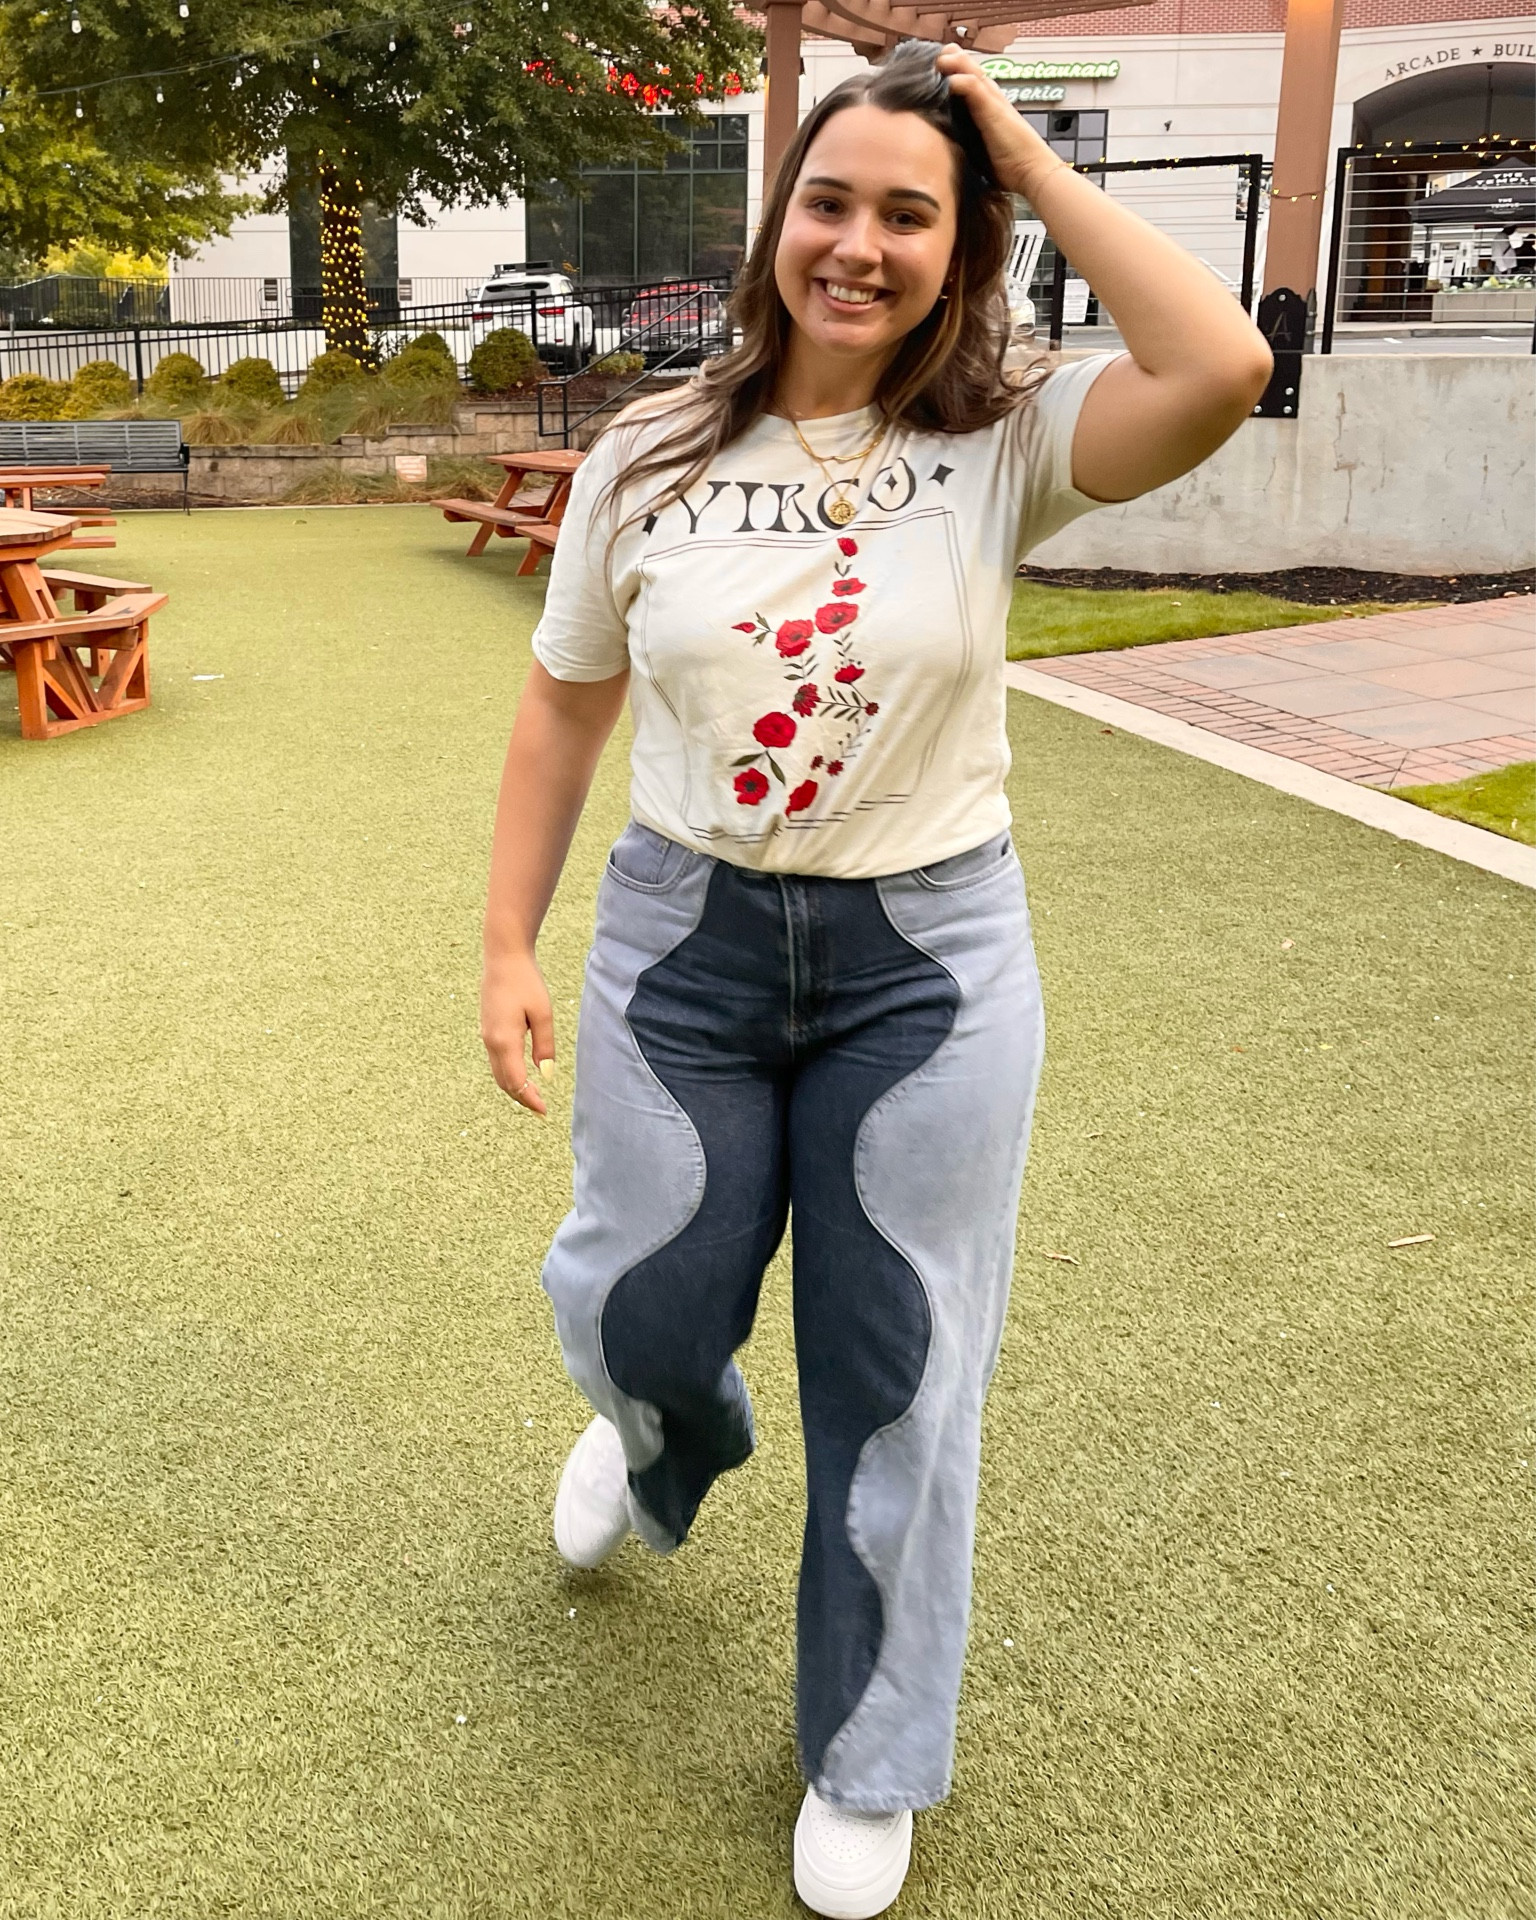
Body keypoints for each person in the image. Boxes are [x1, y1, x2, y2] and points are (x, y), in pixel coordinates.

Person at [481, 41, 1270, 1920]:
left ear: (961, 243)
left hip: (929, 960)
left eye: (910, 214)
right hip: (687, 935)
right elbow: (564, 698)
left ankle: (868, 1748)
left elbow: (1222, 365)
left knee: (901, 1367)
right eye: (829, 201)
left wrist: (1002, 135)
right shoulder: (651, 452)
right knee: (641, 1290)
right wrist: (506, 938)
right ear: (778, 223)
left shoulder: (1004, 443)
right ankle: (660, 1434)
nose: (858, 244)